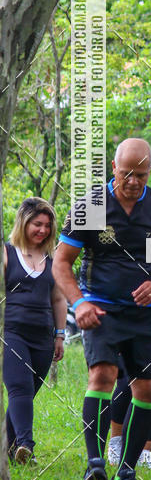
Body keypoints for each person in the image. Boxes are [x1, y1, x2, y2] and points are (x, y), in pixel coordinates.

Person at [53, 138, 151, 480]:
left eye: (141, 175)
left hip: (146, 313)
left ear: (150, 172)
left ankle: (126, 476)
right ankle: (95, 465)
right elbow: (61, 263)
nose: (133, 181)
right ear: (114, 167)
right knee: (102, 374)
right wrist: (80, 303)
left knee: (149, 388)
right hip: (100, 306)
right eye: (126, 173)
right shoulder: (92, 205)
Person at [3, 197, 67, 463]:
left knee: (26, 392)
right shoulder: (7, 253)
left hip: (43, 336)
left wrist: (60, 335)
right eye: (37, 224)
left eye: (47, 225)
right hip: (11, 332)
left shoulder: (53, 259)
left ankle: (9, 449)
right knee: (20, 389)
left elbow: (58, 299)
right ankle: (26, 446)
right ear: (23, 222)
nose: (43, 230)